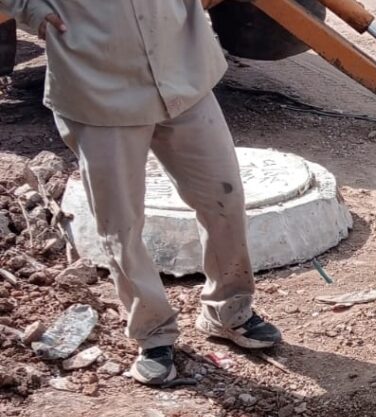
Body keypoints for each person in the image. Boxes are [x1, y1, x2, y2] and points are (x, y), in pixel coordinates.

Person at [1, 0, 282, 384]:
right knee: (121, 225)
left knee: (223, 197)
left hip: (181, 69)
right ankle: (153, 334)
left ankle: (228, 308)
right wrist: (30, 10)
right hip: (98, 83)